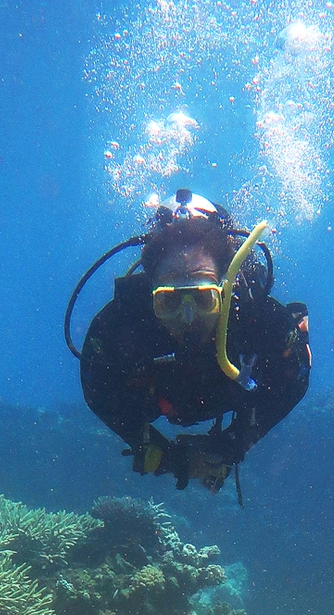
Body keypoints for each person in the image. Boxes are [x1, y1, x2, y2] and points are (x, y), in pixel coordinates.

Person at [66, 189, 311, 499]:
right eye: (168, 301)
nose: (187, 318)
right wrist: (160, 452)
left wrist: (234, 442)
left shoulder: (259, 319)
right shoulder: (120, 325)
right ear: (149, 291)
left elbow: (295, 378)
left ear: (226, 288)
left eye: (203, 299)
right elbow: (97, 389)